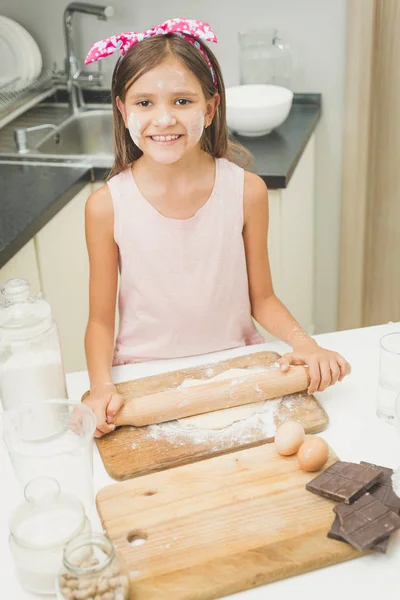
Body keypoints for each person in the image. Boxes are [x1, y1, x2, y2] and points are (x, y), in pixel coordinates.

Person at [83, 18, 350, 438]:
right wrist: (100, 385)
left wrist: (305, 343)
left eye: (183, 101)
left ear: (210, 108)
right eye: (145, 103)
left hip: (237, 368)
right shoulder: (106, 206)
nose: (164, 119)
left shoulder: (246, 191)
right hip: (143, 376)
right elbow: (100, 321)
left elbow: (261, 299)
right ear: (122, 109)